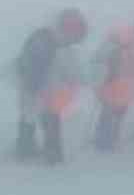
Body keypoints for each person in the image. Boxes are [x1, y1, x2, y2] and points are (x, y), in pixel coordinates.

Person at [14, 9, 88, 165]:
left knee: (31, 117)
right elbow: (67, 72)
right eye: (76, 35)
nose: (76, 40)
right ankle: (52, 156)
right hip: (44, 91)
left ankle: (26, 148)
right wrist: (35, 89)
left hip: (36, 88)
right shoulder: (53, 43)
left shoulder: (49, 40)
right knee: (48, 121)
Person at [91, 22, 134, 153]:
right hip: (112, 86)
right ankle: (103, 143)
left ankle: (108, 140)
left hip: (126, 88)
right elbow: (99, 60)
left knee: (116, 115)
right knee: (110, 115)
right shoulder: (118, 40)